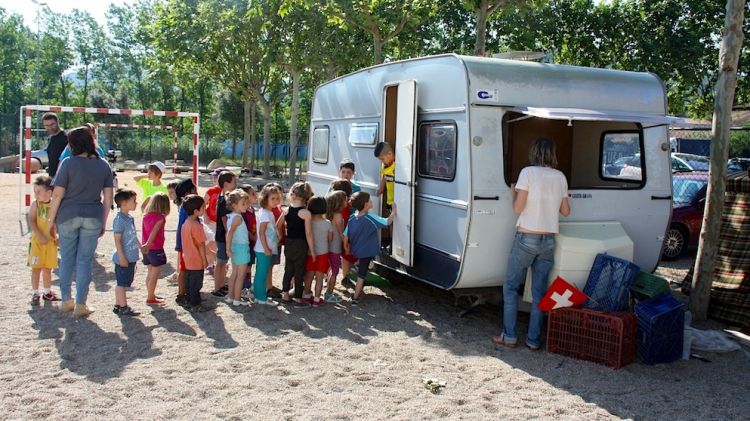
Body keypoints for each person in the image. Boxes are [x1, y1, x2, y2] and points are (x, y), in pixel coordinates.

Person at [492, 138, 570, 351]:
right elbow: (565, 211)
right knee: (539, 293)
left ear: (533, 153)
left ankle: (509, 337)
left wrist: (513, 193)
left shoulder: (527, 173)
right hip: (548, 240)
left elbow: (518, 208)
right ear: (552, 154)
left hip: (526, 238)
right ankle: (533, 340)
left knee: (510, 287)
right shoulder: (560, 177)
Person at [48, 125, 114, 317]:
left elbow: (57, 194)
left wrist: (51, 220)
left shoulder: (67, 163)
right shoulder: (103, 165)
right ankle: (80, 304)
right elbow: (108, 199)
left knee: (67, 259)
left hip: (67, 215)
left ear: (73, 144)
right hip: (93, 215)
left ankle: (66, 299)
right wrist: (103, 222)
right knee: (85, 261)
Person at [343, 192, 396, 305]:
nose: (372, 202)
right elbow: (387, 221)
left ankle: (360, 265)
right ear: (366, 204)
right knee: (361, 275)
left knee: (362, 265)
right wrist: (394, 212)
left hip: (356, 250)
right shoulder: (370, 218)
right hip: (366, 252)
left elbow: (346, 234)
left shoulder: (352, 218)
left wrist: (346, 246)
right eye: (370, 200)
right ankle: (355, 298)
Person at [279, 182, 314, 306]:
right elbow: (308, 234)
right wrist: (312, 250)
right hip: (300, 244)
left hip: (289, 242)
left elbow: (279, 225)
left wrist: (281, 237)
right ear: (305, 196)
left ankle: (285, 294)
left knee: (288, 269)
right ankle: (298, 297)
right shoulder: (305, 213)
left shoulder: (286, 210)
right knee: (299, 271)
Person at [27, 175, 60, 304]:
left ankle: (47, 292)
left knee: (48, 269)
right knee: (36, 269)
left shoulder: (55, 205)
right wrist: (40, 235)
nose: (36, 194)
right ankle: (35, 293)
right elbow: (31, 220)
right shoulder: (36, 205)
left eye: (39, 192)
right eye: (35, 191)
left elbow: (58, 223)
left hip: (51, 244)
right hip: (37, 243)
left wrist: (58, 237)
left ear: (49, 192)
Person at [112, 188, 141, 317]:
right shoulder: (119, 220)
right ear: (124, 203)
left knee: (124, 281)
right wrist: (122, 257)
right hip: (124, 257)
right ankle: (123, 307)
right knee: (121, 283)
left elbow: (133, 235)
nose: (136, 203)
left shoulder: (129, 218)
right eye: (133, 201)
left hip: (131, 256)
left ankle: (118, 305)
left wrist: (140, 247)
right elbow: (117, 240)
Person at [181, 194, 210, 312]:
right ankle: (196, 304)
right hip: (196, 259)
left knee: (189, 281)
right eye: (203, 207)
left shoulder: (185, 223)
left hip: (187, 258)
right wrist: (205, 260)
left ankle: (189, 301)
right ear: (196, 211)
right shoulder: (197, 226)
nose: (205, 208)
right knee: (196, 284)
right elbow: (201, 244)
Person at [253, 185, 281, 306]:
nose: (276, 201)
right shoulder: (264, 213)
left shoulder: (268, 212)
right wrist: (266, 248)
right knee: (261, 273)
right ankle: (261, 297)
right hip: (263, 249)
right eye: (273, 198)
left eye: (277, 198)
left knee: (262, 272)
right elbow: (261, 232)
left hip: (266, 248)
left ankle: (259, 295)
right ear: (265, 199)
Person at [141, 193, 170, 305]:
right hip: (155, 248)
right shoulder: (160, 217)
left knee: (149, 272)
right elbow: (154, 232)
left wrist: (149, 197)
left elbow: (143, 206)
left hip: (146, 249)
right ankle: (150, 297)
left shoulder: (145, 215)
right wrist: (149, 243)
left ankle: (151, 293)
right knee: (155, 274)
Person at [225, 189, 252, 307]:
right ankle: (237, 299)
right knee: (240, 275)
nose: (246, 206)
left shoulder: (230, 216)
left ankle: (231, 297)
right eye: (243, 203)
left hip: (235, 247)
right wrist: (227, 248)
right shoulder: (238, 218)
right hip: (241, 248)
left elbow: (229, 233)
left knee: (234, 273)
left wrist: (229, 248)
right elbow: (229, 233)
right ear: (234, 205)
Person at [174, 178, 198, 307]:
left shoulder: (185, 206)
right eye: (194, 188)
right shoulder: (186, 207)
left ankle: (184, 292)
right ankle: (181, 294)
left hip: (184, 243)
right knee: (184, 269)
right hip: (185, 243)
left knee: (185, 268)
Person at [305, 196, 332, 307]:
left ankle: (306, 295)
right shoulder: (327, 223)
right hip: (323, 253)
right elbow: (330, 238)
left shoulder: (308, 222)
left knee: (309, 275)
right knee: (319, 277)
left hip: (309, 253)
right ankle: (316, 299)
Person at [213, 171, 237, 297]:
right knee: (220, 262)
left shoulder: (224, 197)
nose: (235, 184)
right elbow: (224, 219)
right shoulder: (223, 200)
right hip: (222, 236)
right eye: (234, 182)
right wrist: (229, 234)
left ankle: (221, 285)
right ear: (226, 184)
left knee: (223, 262)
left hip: (224, 236)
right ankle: (217, 287)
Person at [330, 179, 357, 280]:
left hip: (337, 234)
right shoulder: (344, 207)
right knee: (346, 256)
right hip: (342, 234)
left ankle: (342, 276)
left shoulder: (335, 206)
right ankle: (345, 276)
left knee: (338, 256)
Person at [324, 190, 347, 303]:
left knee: (329, 269)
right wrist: (346, 244)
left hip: (326, 246)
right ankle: (329, 293)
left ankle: (328, 290)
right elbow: (340, 232)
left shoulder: (327, 214)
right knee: (335, 270)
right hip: (335, 247)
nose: (347, 201)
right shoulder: (338, 215)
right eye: (345, 199)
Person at [239, 184, 258, 300]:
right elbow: (245, 229)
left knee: (250, 265)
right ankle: (243, 288)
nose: (255, 196)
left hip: (253, 242)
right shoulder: (243, 212)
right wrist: (254, 238)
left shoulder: (252, 210)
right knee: (245, 266)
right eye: (252, 194)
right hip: (247, 242)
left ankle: (248, 286)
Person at [42, 112, 67, 178]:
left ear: (57, 122)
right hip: (53, 177)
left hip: (63, 177)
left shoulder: (66, 138)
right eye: (47, 125)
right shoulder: (51, 138)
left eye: (52, 124)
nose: (50, 127)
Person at [374, 142, 395, 213]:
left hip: (399, 203)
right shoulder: (385, 168)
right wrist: (378, 191)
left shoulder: (397, 167)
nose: (382, 162)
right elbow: (382, 184)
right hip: (389, 203)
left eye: (382, 159)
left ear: (389, 154)